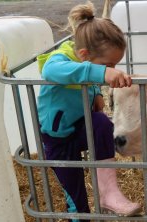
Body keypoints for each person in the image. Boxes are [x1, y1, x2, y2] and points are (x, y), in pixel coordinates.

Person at [36, 1, 141, 219]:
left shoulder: (86, 62)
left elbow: (87, 76)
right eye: (107, 65)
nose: (109, 70)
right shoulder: (61, 58)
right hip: (58, 139)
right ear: (83, 54)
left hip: (80, 125)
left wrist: (98, 94)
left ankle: (109, 194)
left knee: (102, 123)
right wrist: (102, 73)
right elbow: (52, 71)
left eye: (112, 66)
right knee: (76, 197)